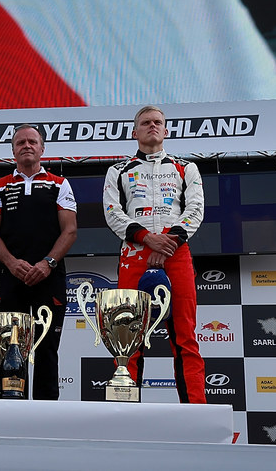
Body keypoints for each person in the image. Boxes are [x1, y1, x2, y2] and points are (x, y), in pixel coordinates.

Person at [103, 106, 206, 403]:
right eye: (145, 123)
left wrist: (167, 243)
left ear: (166, 130)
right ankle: (124, 410)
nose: (152, 126)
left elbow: (195, 209)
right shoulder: (117, 170)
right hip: (134, 253)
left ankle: (196, 411)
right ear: (134, 132)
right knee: (127, 337)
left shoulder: (186, 167)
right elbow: (112, 213)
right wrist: (148, 238)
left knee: (185, 336)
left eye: (157, 122)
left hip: (177, 254)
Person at [0, 125, 77, 400]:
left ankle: (47, 411)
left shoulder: (59, 183)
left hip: (50, 275)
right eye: (20, 142)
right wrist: (12, 264)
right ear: (13, 150)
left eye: (32, 141)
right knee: (11, 347)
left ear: (42, 148)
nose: (26, 145)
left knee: (47, 347)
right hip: (12, 277)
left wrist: (48, 263)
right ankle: (13, 406)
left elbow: (70, 230)